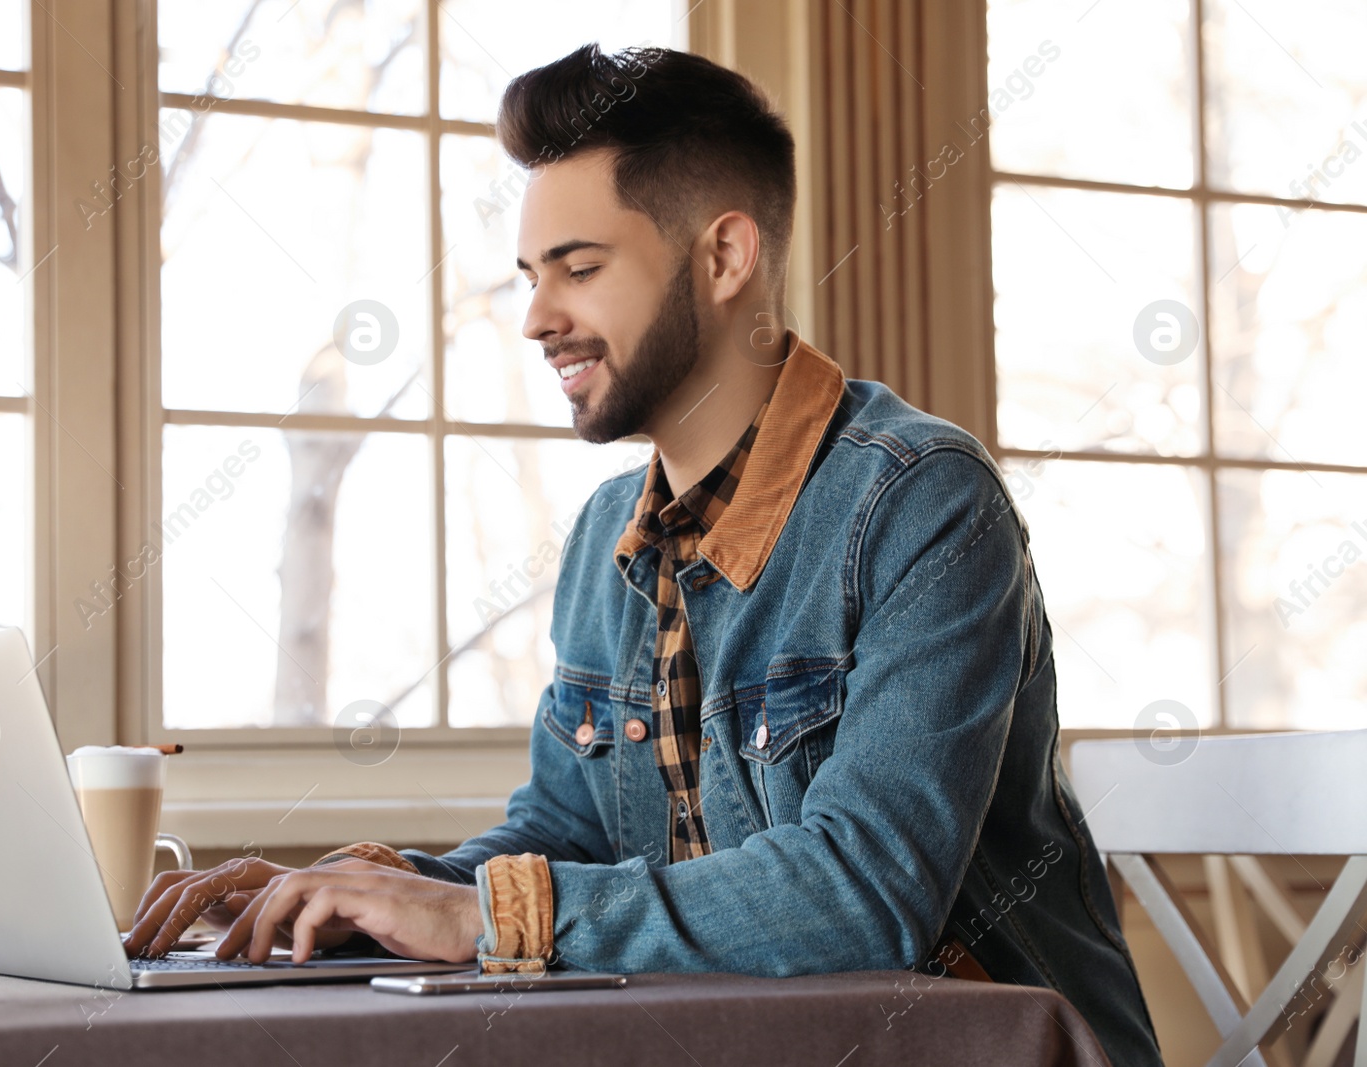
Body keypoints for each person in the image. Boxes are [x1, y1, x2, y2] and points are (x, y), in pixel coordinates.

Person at [126, 43, 1161, 1066]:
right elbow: (565, 831)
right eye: (531, 275)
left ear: (723, 257)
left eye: (578, 268)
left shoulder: (921, 499)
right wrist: (373, 886)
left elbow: (864, 892)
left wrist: (481, 913)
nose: (536, 317)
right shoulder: (603, 538)